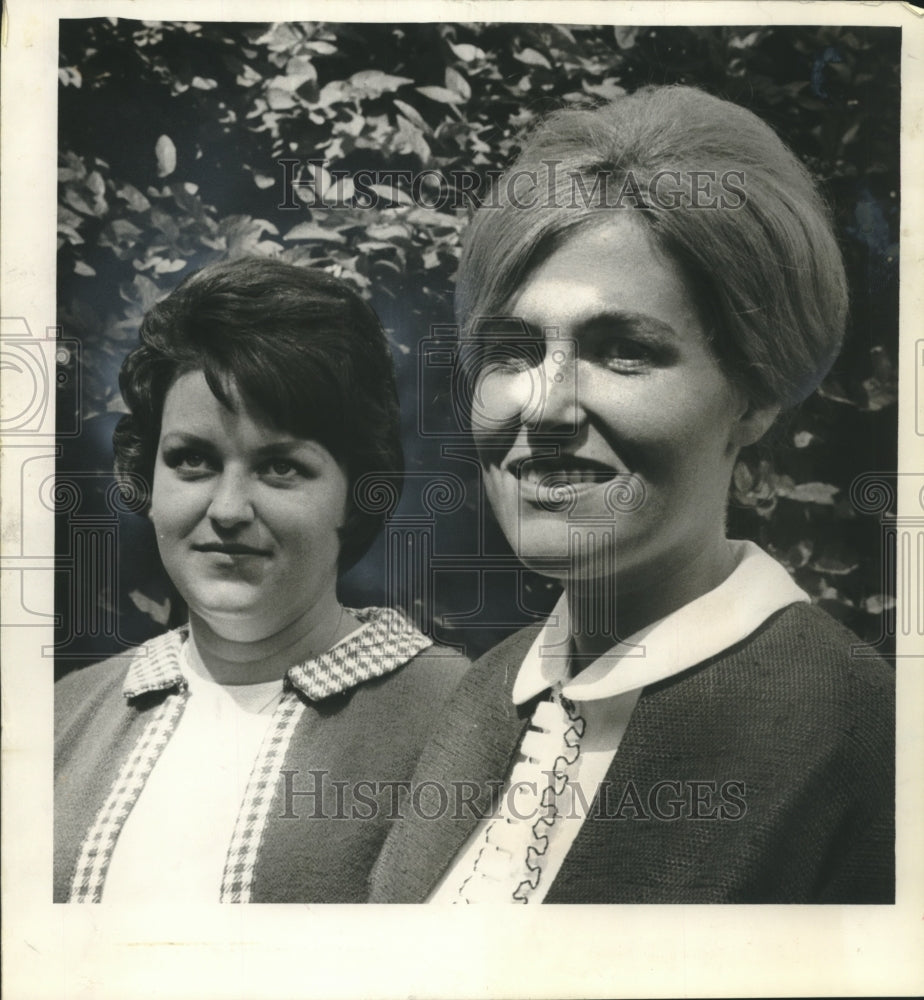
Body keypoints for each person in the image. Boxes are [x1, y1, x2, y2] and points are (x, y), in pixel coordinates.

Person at [370, 85, 894, 903]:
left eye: (623, 351)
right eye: (511, 351)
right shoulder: (481, 695)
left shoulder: (866, 741)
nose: (545, 408)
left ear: (754, 395)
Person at [54, 257, 468, 903]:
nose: (227, 510)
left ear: (356, 493)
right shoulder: (64, 715)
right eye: (192, 460)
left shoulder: (461, 717)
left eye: (280, 468)